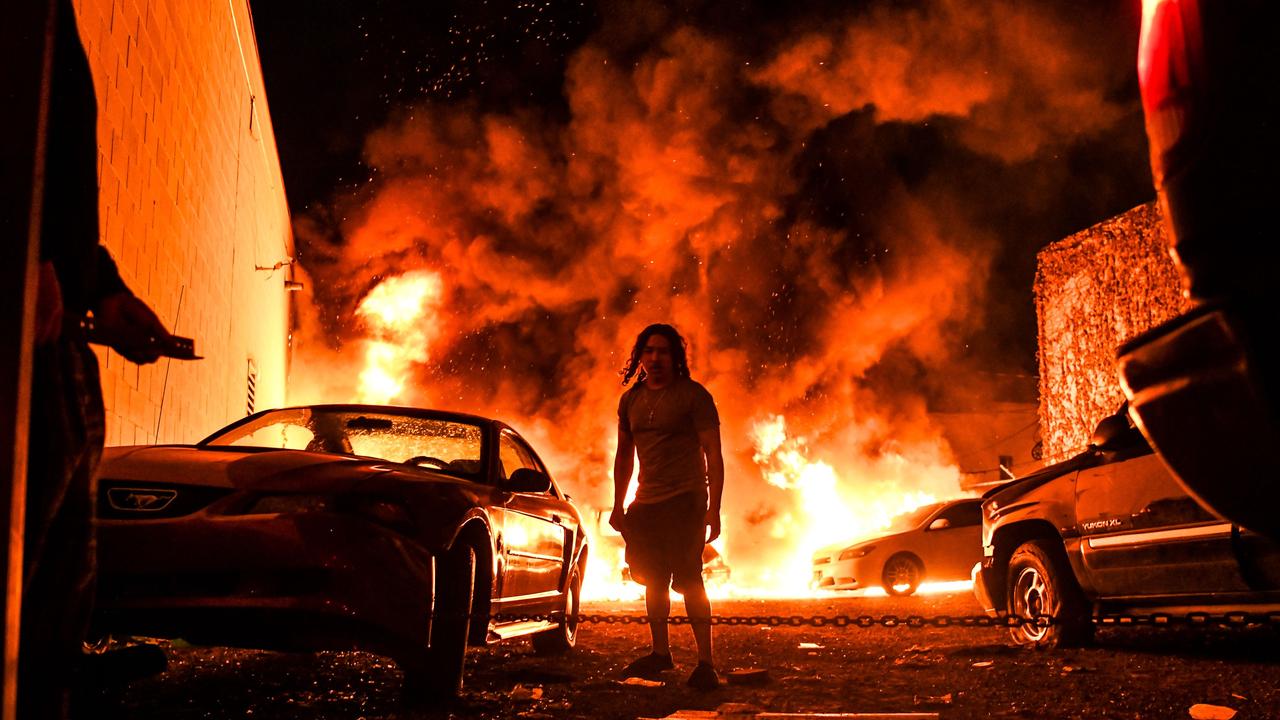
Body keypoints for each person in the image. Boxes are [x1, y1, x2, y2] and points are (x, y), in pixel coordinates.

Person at [24, 2, 171, 717]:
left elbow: (59, 169)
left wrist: (99, 287)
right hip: (24, 323)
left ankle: (47, 680)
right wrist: (32, 254)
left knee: (58, 573)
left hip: (56, 333)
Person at [609, 323, 725, 691]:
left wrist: (714, 508)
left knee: (690, 580)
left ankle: (705, 663)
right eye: (649, 351)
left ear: (676, 357)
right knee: (652, 580)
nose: (655, 358)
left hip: (686, 500)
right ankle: (661, 655)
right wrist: (618, 503)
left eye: (663, 351)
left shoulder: (694, 397)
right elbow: (624, 456)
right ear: (640, 357)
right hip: (647, 503)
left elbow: (713, 454)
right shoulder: (631, 400)